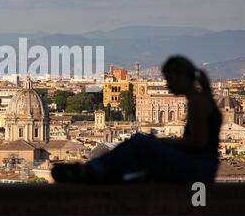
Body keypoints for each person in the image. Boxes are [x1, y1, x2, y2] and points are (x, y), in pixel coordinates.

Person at [52, 55, 222, 184]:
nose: (168, 86)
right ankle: (95, 172)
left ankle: (90, 171)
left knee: (140, 142)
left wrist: (160, 142)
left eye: (169, 80)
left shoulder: (197, 102)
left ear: (181, 77)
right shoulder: (201, 98)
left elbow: (198, 142)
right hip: (203, 168)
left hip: (198, 169)